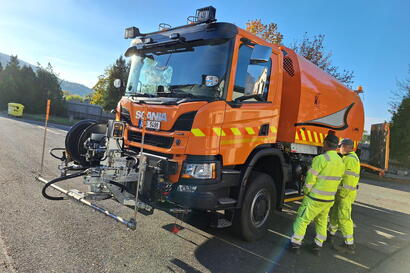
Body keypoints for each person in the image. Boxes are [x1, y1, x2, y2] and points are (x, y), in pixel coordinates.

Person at [289, 134, 345, 255]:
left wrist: (306, 191)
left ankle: (295, 244)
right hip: (328, 200)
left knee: (302, 219)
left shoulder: (321, 159)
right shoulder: (341, 162)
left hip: (314, 198)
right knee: (322, 221)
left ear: (325, 143)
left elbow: (310, 179)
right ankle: (317, 246)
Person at [328, 138, 360, 254]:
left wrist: (342, 194)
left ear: (347, 147)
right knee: (335, 214)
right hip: (341, 194)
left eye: (340, 146)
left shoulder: (350, 159)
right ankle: (330, 235)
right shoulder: (348, 158)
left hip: (345, 195)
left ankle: (349, 244)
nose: (339, 148)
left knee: (344, 218)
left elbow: (349, 181)